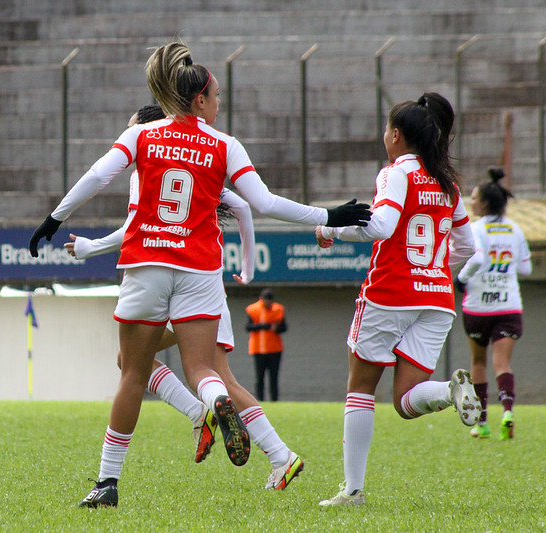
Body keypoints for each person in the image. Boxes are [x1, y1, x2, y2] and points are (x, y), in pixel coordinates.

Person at [28, 41, 371, 508]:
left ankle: (107, 483)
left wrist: (55, 219)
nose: (220, 101)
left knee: (131, 373)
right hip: (199, 268)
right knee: (203, 368)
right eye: (216, 95)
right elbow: (265, 203)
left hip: (147, 261)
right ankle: (213, 402)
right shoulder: (225, 145)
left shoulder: (141, 136)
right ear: (200, 100)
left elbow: (96, 176)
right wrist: (327, 216)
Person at [65, 105, 304, 490]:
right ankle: (212, 418)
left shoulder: (151, 160)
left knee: (170, 368)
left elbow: (132, 227)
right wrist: (248, 266)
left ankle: (274, 452)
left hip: (174, 279)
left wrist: (91, 248)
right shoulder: (201, 157)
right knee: (142, 362)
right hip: (204, 281)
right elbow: (244, 205)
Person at [314, 92, 478, 507]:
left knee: (360, 389)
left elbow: (382, 226)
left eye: (387, 129)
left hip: (390, 293)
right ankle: (448, 392)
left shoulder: (397, 171)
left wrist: (333, 230)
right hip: (437, 299)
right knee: (406, 400)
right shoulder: (448, 183)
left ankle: (352, 490)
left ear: (398, 135)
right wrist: (435, 267)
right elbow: (468, 247)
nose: (385, 135)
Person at [454, 168, 532, 440]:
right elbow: (526, 269)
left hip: (477, 306)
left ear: (484, 203)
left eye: (473, 198)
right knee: (503, 364)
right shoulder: (515, 229)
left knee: (478, 362)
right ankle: (508, 411)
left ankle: (482, 422)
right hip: (509, 305)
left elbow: (474, 259)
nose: (470, 202)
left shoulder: (474, 229)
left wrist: (461, 280)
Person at [245, 288, 287, 401]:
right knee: (259, 377)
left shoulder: (278, 309)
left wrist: (276, 328)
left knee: (274, 377)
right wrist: (266, 326)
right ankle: (260, 400)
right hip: (258, 349)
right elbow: (248, 327)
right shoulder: (253, 309)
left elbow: (284, 327)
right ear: (261, 300)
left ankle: (274, 400)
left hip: (275, 349)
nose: (268, 304)